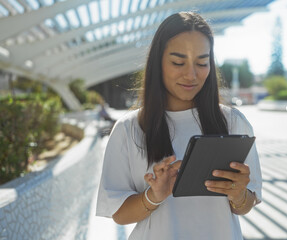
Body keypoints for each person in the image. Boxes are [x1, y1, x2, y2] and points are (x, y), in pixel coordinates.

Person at [96, 12, 262, 240]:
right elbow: (118, 214)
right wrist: (154, 195)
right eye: (178, 62)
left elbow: (246, 204)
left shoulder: (233, 122)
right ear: (158, 62)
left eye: (202, 63)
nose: (191, 75)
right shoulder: (129, 128)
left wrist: (240, 195)